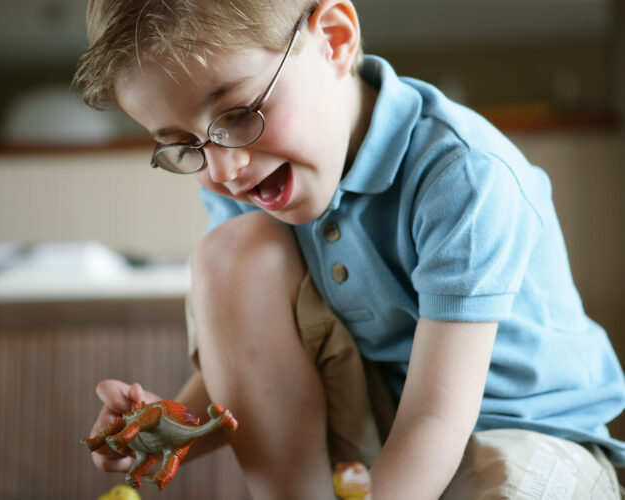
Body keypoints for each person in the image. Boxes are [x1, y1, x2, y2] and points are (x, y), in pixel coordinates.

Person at [73, 0, 625, 497]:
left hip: (521, 432)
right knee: (231, 252)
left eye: (239, 114)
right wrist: (169, 426)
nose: (224, 169)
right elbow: (246, 378)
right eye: (182, 145)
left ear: (335, 40)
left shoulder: (463, 174)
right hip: (382, 437)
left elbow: (436, 416)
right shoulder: (250, 178)